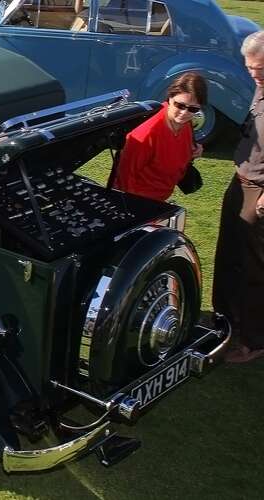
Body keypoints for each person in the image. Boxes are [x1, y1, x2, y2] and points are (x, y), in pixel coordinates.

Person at [214, 30, 264, 363]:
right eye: (250, 68)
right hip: (240, 180)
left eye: (259, 68)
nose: (254, 75)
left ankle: (252, 340)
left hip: (258, 191)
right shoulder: (260, 89)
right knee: (228, 253)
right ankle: (224, 322)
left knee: (254, 267)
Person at [112, 72, 206, 201]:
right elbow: (125, 179)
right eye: (180, 105)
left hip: (161, 198)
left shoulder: (185, 123)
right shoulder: (146, 133)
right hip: (139, 201)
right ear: (170, 98)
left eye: (193, 109)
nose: (184, 113)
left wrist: (192, 150)